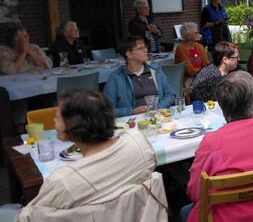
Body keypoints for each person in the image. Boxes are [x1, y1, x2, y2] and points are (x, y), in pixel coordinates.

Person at [14, 89, 160, 219]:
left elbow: (29, 216)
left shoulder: (63, 181)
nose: (53, 121)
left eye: (57, 117)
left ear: (74, 124)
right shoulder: (138, 143)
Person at [181, 71, 253, 222]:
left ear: (221, 105)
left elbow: (194, 193)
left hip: (229, 217)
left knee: (184, 211)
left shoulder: (212, 143)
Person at [103, 36, 175, 117]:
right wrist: (132, 111)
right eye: (141, 48)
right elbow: (107, 110)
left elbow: (170, 95)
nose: (146, 50)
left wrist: (158, 107)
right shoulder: (116, 77)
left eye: (145, 47)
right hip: (130, 123)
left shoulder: (155, 70)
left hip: (157, 117)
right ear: (129, 54)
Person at [174, 22, 210, 86]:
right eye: (196, 33)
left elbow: (206, 63)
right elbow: (189, 70)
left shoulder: (200, 46)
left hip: (201, 76)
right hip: (187, 79)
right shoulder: (181, 48)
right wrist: (205, 74)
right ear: (188, 36)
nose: (198, 34)